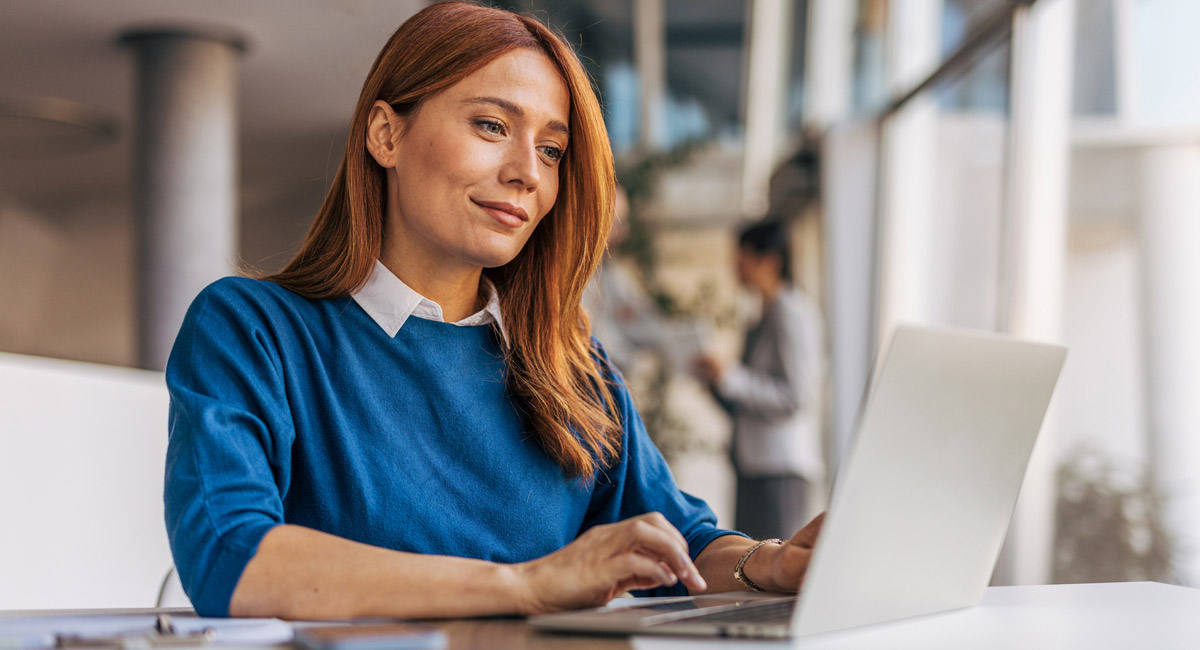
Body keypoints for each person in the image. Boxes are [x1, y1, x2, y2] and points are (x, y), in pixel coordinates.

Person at [164, 2, 822, 620]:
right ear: (386, 134)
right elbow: (232, 556)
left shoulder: (572, 371)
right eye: (492, 126)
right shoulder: (252, 331)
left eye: (551, 150)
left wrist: (768, 565)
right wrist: (524, 585)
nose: (527, 173)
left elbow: (685, 542)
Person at [695, 220, 826, 540]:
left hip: (779, 469)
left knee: (774, 569)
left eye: (743, 259)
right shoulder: (762, 315)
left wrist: (731, 377)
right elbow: (746, 401)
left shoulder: (792, 313)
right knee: (751, 563)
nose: (735, 268)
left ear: (770, 261)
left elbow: (796, 397)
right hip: (753, 465)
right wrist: (716, 382)